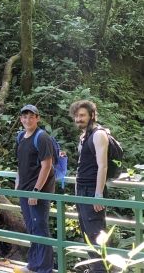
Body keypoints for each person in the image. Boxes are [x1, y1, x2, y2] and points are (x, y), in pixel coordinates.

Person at [69, 100, 108, 273]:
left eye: (82, 115)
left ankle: (100, 270)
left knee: (95, 234)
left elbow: (103, 165)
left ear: (92, 115)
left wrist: (98, 194)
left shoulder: (99, 134)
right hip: (81, 189)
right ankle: (94, 268)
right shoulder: (84, 136)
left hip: (92, 190)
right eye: (76, 116)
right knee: (87, 233)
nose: (79, 119)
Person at [15, 105, 54, 273]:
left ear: (37, 118)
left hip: (38, 191)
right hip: (25, 190)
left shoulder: (42, 137)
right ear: (21, 119)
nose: (27, 120)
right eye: (24, 117)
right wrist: (17, 184)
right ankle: (33, 265)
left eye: (31, 117)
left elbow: (47, 165)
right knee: (32, 228)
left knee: (40, 228)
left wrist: (36, 191)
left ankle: (44, 268)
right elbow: (20, 164)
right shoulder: (20, 137)